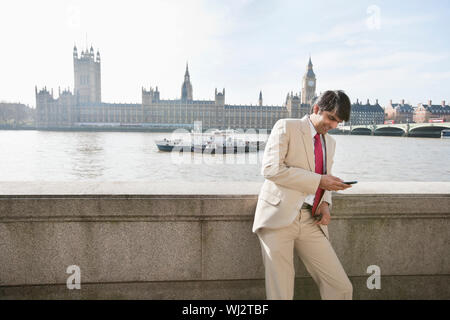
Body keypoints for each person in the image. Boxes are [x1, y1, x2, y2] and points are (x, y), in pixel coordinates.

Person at [253, 90, 353, 300]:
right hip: (278, 217)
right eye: (331, 118)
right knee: (281, 294)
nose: (334, 126)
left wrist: (325, 203)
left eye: (338, 122)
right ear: (316, 109)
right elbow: (271, 169)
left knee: (341, 287)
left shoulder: (330, 143)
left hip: (310, 220)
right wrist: (318, 181)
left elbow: (325, 177)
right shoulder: (286, 126)